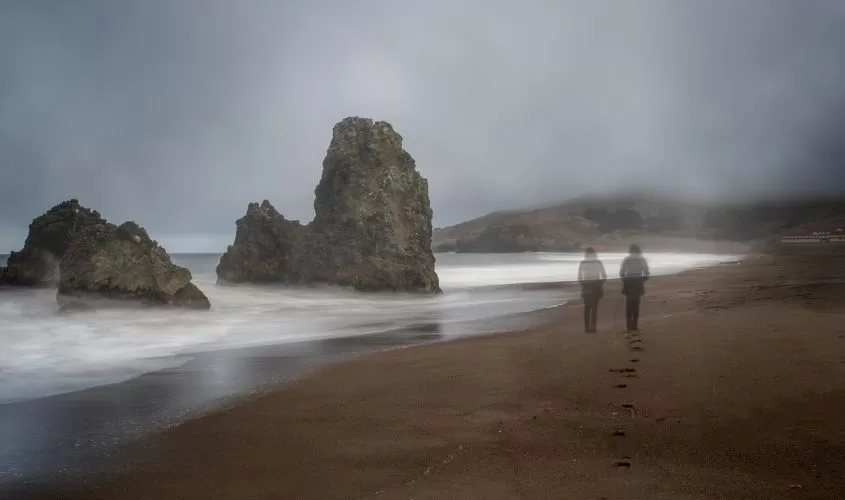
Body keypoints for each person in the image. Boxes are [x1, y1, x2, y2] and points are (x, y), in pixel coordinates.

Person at [619, 244, 650, 332]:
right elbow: (646, 272)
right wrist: (642, 281)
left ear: (630, 251)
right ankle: (634, 325)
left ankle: (628, 325)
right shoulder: (642, 259)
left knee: (628, 305)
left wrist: (624, 280)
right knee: (636, 305)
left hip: (628, 281)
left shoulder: (626, 259)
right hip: (638, 282)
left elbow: (622, 272)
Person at [578, 247, 606, 333]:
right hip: (596, 285)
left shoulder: (583, 263)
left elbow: (579, 276)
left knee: (587, 307)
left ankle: (587, 327)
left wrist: (583, 284)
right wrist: (600, 283)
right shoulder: (598, 262)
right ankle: (593, 326)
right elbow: (604, 275)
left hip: (586, 285)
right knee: (594, 308)